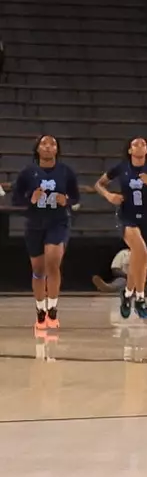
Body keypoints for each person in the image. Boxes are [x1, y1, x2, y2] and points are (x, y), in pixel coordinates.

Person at [10, 135, 79, 334]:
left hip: (58, 222)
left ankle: (53, 308)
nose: (48, 147)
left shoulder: (66, 172)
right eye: (44, 144)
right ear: (38, 149)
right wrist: (30, 198)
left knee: (52, 262)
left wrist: (64, 200)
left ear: (57, 150)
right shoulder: (27, 172)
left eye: (52, 144)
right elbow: (16, 199)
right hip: (34, 224)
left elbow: (75, 197)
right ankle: (40, 310)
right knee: (38, 270)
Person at [95, 136, 147, 320]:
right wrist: (108, 195)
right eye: (135, 144)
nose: (139, 146)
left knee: (140, 258)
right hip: (126, 216)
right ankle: (140, 298)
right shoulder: (121, 167)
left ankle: (127, 294)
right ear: (129, 150)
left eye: (143, 144)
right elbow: (99, 184)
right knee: (141, 252)